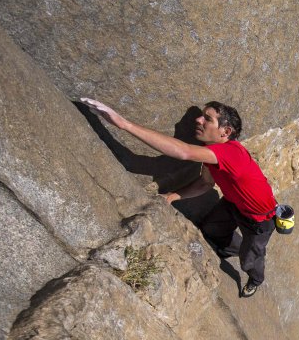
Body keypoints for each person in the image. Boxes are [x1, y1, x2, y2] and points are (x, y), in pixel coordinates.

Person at [82, 98, 277, 297]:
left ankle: (255, 278)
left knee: (249, 260)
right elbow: (205, 183)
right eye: (201, 115)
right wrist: (172, 196)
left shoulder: (231, 153)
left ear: (225, 132)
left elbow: (183, 152)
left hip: (258, 218)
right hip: (232, 203)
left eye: (207, 119)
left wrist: (124, 124)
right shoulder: (211, 153)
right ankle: (236, 248)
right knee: (211, 229)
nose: (199, 120)